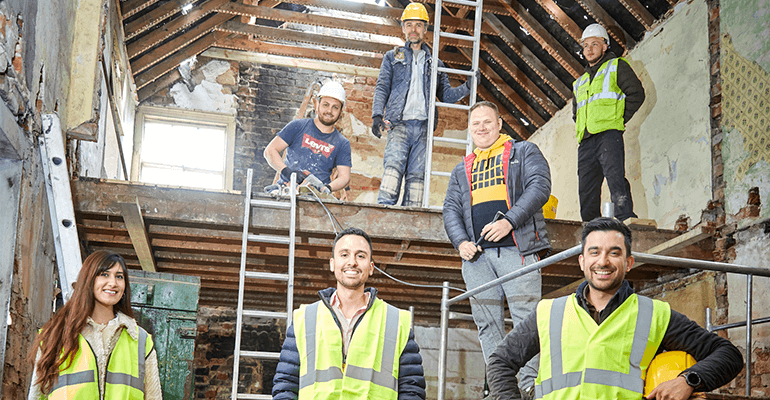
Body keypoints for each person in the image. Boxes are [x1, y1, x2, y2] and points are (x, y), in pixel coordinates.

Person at [487, 217, 744, 400]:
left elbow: (728, 355)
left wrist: (688, 380)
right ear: (582, 261)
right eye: (594, 252)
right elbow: (500, 362)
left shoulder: (654, 314)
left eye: (614, 252)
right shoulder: (549, 312)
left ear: (628, 262)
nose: (603, 261)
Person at [443, 101, 551, 398]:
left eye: (487, 122)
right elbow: (450, 209)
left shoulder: (524, 151)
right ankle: (499, 386)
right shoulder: (462, 168)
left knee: (526, 320)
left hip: (518, 249)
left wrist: (509, 222)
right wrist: (461, 242)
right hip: (478, 258)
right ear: (470, 128)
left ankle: (528, 386)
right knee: (487, 325)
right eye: (475, 123)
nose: (481, 127)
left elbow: (540, 187)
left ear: (500, 123)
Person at [272, 227, 426, 399]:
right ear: (332, 263)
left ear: (371, 267)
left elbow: (412, 389)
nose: (352, 262)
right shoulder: (304, 318)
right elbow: (286, 384)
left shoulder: (396, 321)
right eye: (344, 254)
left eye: (360, 256)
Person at [371, 2, 476, 207]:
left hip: (423, 130)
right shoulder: (392, 57)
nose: (413, 30)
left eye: (418, 25)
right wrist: (377, 114)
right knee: (393, 171)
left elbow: (446, 95)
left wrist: (468, 86)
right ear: (402, 28)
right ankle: (383, 214)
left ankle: (410, 226)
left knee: (417, 179)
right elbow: (382, 86)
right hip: (399, 125)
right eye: (409, 25)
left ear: (425, 29)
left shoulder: (435, 63)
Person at [28, 251, 161, 399]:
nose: (113, 283)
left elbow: (154, 396)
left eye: (119, 276)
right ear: (88, 280)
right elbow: (36, 395)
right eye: (104, 274)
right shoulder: (54, 334)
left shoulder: (141, 341)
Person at [573, 23, 645, 222]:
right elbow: (576, 112)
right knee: (586, 188)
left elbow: (636, 94)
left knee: (615, 180)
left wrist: (618, 118)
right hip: (586, 141)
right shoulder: (579, 82)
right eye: (585, 45)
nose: (589, 49)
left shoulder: (616, 66)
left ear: (605, 46)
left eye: (594, 44)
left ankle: (625, 218)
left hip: (608, 135)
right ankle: (590, 225)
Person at [264, 80, 352, 194]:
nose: (329, 111)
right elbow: (270, 151)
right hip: (287, 191)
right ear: (317, 104)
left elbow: (344, 177)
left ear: (341, 111)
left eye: (335, 107)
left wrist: (326, 189)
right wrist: (287, 172)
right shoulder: (297, 126)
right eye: (326, 104)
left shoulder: (342, 143)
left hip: (315, 198)